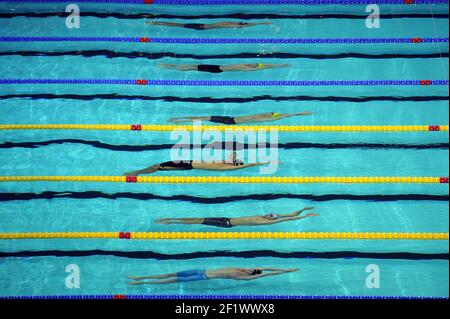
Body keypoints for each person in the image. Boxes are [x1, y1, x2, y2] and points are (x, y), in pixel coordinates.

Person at [124, 152, 269, 176]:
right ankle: (138, 172)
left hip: (187, 165)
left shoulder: (225, 167)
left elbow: (247, 165)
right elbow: (233, 154)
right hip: (187, 161)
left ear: (234, 165)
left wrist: (262, 162)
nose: (232, 158)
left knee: (157, 167)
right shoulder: (225, 162)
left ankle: (137, 173)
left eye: (234, 161)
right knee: (158, 165)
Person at [156, 207, 319, 228]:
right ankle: (172, 219)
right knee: (199, 218)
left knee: (199, 221)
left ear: (270, 220)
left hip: (227, 224)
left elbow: (289, 219)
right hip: (226, 217)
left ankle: (171, 221)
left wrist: (305, 217)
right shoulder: (264, 216)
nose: (268, 214)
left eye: (270, 216)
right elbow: (289, 214)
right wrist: (303, 209)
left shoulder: (263, 221)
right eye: (270, 213)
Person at [128, 268, 298, 285]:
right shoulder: (244, 269)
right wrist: (286, 269)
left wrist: (284, 273)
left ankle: (141, 283)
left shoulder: (245, 277)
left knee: (170, 281)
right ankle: (139, 278)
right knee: (170, 274)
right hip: (200, 269)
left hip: (202, 278)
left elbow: (266, 274)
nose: (248, 269)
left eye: (250, 271)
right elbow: (267, 268)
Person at [169, 111, 313, 125]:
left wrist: (299, 114)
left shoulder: (264, 119)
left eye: (272, 113)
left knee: (204, 118)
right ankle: (180, 118)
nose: (270, 112)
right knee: (203, 117)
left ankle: (179, 119)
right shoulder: (262, 115)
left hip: (230, 121)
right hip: (229, 118)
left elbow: (283, 117)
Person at [158, 63, 289, 73]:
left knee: (193, 68)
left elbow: (263, 68)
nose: (254, 64)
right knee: (193, 66)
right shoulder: (248, 64)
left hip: (217, 70)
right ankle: (171, 66)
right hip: (215, 66)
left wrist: (280, 65)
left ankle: (173, 68)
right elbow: (264, 65)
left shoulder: (248, 68)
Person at [146, 21, 272, 30]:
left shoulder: (231, 24)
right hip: (201, 26)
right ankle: (155, 22)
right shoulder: (231, 24)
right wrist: (263, 23)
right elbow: (248, 25)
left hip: (201, 27)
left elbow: (248, 25)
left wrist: (263, 23)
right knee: (177, 25)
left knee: (178, 25)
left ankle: (155, 22)